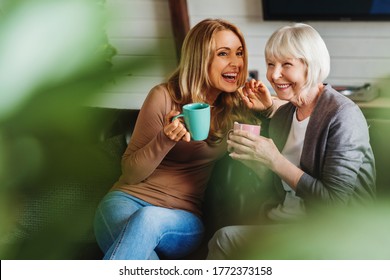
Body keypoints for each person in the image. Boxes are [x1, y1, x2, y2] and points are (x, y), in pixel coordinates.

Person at [206, 22, 376, 259]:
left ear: (311, 67)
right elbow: (282, 184)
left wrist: (274, 160)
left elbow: (334, 202)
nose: (274, 75)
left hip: (335, 232)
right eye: (270, 64)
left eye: (287, 64)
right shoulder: (284, 115)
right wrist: (257, 161)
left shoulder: (343, 115)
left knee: (224, 240)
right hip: (284, 221)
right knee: (224, 238)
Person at [93, 18, 257, 260]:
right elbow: (130, 173)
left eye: (239, 53)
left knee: (149, 218)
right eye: (224, 53)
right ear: (200, 59)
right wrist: (165, 140)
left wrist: (268, 107)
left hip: (182, 219)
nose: (236, 63)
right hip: (125, 202)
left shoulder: (238, 108)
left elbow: (293, 107)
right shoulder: (163, 96)